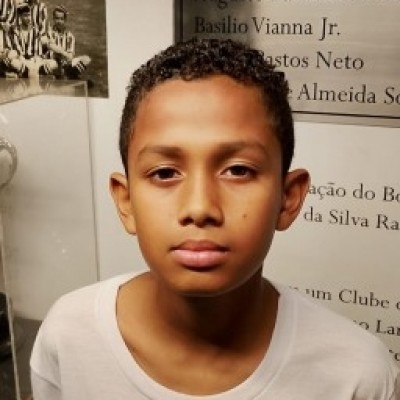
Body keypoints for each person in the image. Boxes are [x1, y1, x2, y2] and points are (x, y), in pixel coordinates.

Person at [30, 38, 400, 399]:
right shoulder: (69, 336)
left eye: (238, 170)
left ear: (288, 198)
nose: (200, 207)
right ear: (126, 202)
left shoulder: (357, 376)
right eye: (164, 173)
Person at [46, 5, 90, 79]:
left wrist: (68, 57)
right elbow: (50, 46)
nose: (59, 21)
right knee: (53, 62)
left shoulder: (70, 36)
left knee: (86, 59)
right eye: (57, 18)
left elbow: (70, 55)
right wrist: (64, 54)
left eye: (61, 19)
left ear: (65, 20)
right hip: (53, 63)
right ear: (53, 19)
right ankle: (69, 75)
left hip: (66, 63)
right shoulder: (49, 33)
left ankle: (67, 73)